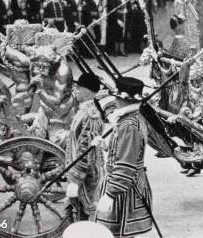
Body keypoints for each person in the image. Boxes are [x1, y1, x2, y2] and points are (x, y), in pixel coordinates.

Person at [94, 78, 154, 237]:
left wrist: (110, 194)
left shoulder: (129, 126)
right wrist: (106, 145)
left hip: (124, 189)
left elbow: (126, 165)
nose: (115, 101)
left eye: (117, 98)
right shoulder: (131, 119)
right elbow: (125, 151)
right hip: (126, 185)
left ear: (123, 100)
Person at [65, 73, 107, 222]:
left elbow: (86, 152)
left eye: (78, 88)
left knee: (81, 217)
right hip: (80, 174)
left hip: (84, 176)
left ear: (88, 92)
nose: (75, 91)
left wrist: (76, 181)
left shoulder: (90, 115)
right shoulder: (85, 110)